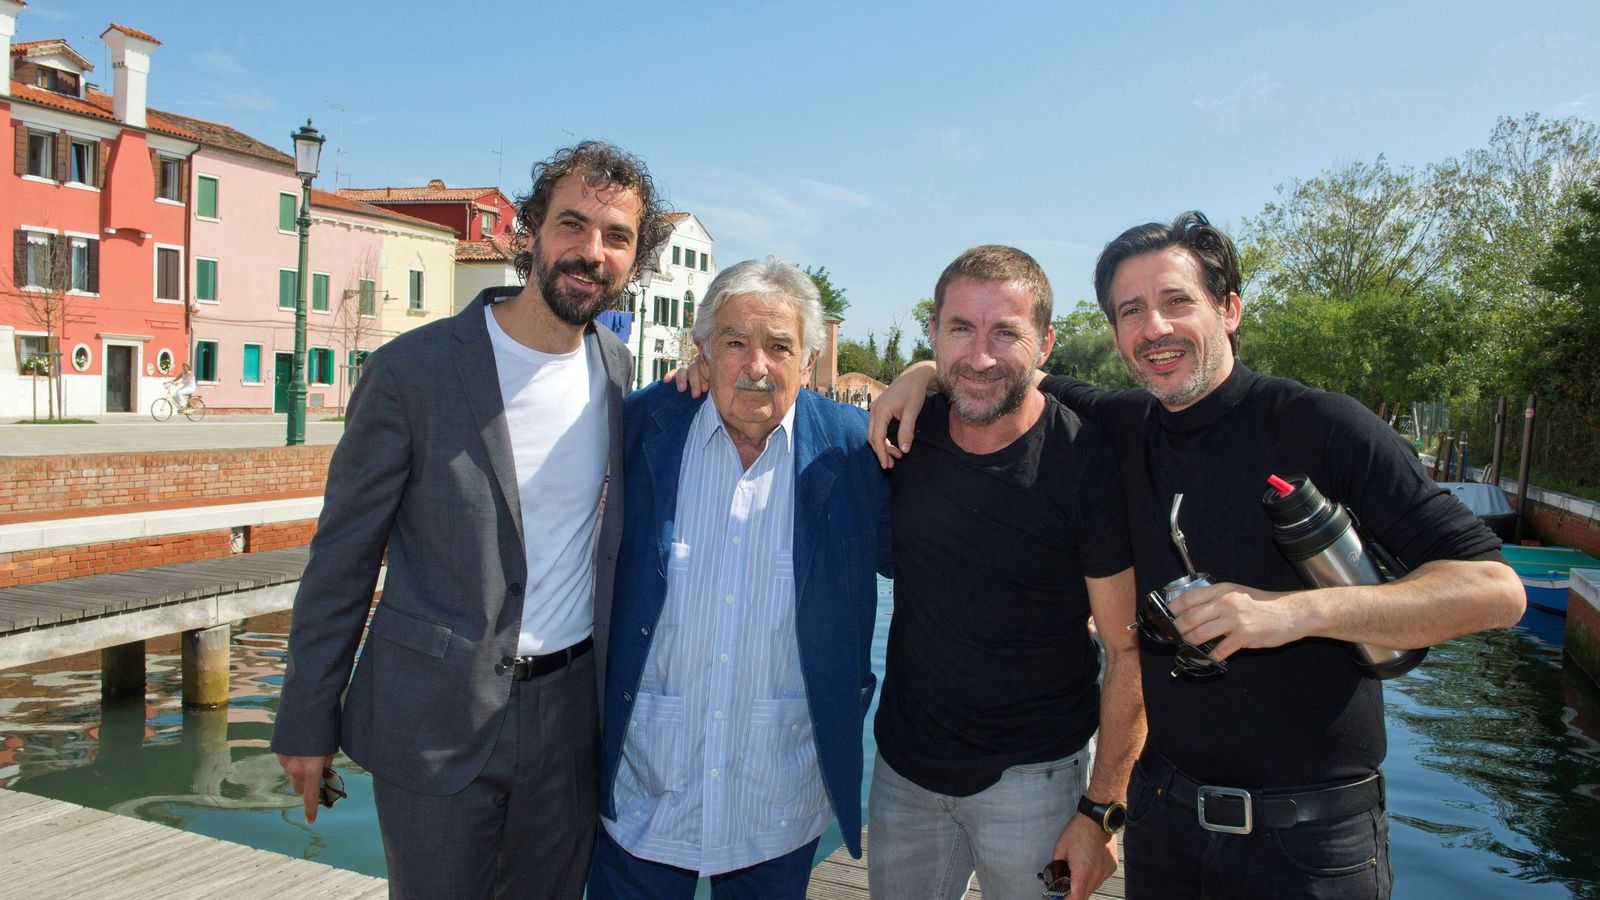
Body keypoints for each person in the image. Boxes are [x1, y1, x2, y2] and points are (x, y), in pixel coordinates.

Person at [869, 214, 1526, 899]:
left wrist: (1292, 613)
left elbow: (1495, 590)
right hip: (1165, 821)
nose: (1154, 328)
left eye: (1176, 301)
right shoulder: (1122, 425)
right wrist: (921, 374)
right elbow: (996, 371)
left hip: (1309, 838)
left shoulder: (1322, 426)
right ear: (1116, 333)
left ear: (1230, 309)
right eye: (1131, 310)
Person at [270, 141, 674, 899]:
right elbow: (343, 558)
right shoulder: (411, 371)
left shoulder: (618, 372)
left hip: (570, 716)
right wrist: (305, 719)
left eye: (616, 237)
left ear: (635, 260)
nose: (591, 252)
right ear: (531, 230)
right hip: (432, 713)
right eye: (572, 224)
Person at [590, 258, 893, 899]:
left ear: (809, 361)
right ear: (701, 350)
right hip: (644, 786)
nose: (756, 366)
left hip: (777, 794)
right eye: (734, 343)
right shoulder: (638, 426)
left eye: (779, 346)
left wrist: (922, 373)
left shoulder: (854, 450)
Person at [868, 246, 1141, 900]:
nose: (981, 356)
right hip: (903, 774)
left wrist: (1101, 811)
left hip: (1036, 783)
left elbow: (1129, 652)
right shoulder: (903, 438)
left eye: (1006, 333)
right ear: (933, 333)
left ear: (1045, 344)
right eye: (961, 328)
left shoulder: (1084, 462)